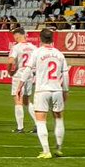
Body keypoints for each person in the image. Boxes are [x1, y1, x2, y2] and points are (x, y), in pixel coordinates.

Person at [22, 28, 69, 159]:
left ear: (40, 38)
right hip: (57, 90)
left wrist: (20, 84)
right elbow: (65, 74)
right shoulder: (59, 54)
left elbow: (28, 69)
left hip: (42, 90)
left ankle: (46, 150)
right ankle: (59, 148)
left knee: (41, 120)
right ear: (52, 39)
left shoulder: (37, 52)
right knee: (59, 118)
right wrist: (65, 90)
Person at [8, 28, 37, 133]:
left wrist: (9, 71)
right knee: (27, 100)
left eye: (14, 36)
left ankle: (20, 127)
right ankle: (38, 125)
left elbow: (11, 61)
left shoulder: (16, 47)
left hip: (19, 75)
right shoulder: (33, 47)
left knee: (18, 100)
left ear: (17, 36)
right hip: (29, 75)